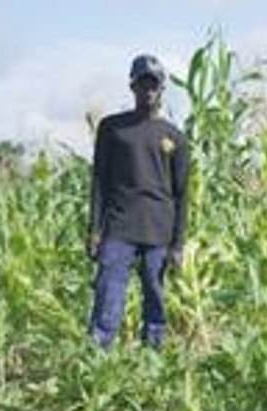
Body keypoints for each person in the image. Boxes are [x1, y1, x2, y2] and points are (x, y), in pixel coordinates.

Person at [87, 54, 189, 349]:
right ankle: (98, 359)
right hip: (118, 228)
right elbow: (99, 182)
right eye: (142, 84)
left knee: (155, 300)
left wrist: (178, 244)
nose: (148, 91)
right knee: (108, 294)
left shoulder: (175, 137)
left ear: (162, 89)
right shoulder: (111, 129)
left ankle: (152, 362)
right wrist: (94, 229)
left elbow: (182, 194)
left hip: (159, 231)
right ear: (132, 86)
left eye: (154, 85)